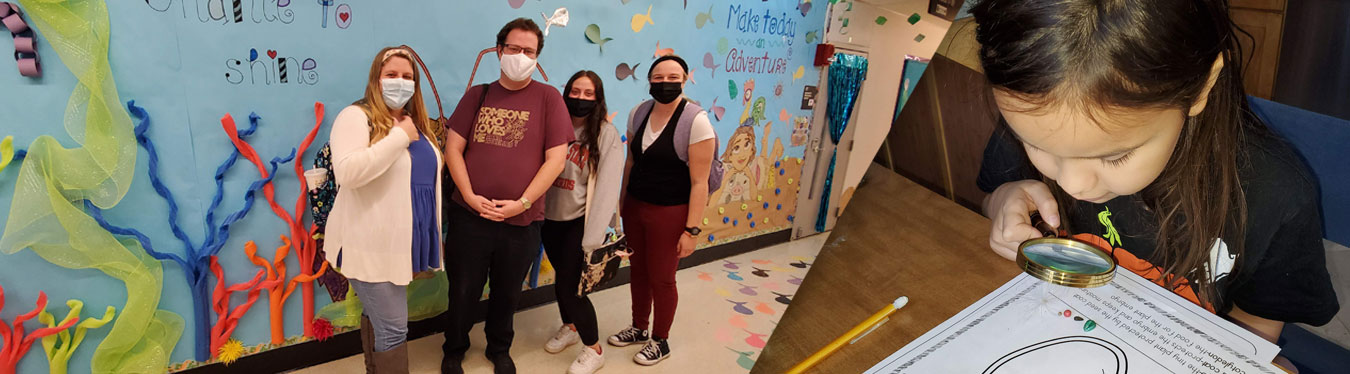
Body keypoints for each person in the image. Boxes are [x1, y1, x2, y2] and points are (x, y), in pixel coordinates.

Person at [971, 0, 1338, 370]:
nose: (1072, 183)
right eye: (1036, 145)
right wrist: (1001, 201)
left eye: (1115, 156)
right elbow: (991, 200)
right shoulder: (1040, 111)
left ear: (1199, 89)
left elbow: (1256, 324)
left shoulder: (1274, 193)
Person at [441, 18, 573, 374]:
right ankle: (454, 347)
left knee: (507, 292)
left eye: (528, 51)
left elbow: (556, 159)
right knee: (463, 290)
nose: (520, 56)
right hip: (470, 216)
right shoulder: (478, 95)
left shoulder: (548, 98)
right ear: (499, 51)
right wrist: (468, 195)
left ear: (537, 57)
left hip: (522, 221)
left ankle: (499, 348)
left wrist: (523, 202)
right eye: (513, 48)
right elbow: (453, 149)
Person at [325, 46, 443, 374]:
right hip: (367, 245)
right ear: (376, 79)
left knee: (381, 317)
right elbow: (348, 173)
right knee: (394, 328)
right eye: (391, 75)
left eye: (407, 77)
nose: (400, 82)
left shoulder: (415, 123)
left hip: (400, 245)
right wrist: (397, 138)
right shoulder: (355, 117)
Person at [607, 55, 716, 366]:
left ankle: (660, 340)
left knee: (662, 277)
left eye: (673, 77)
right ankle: (639, 328)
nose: (665, 83)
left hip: (670, 212)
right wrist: (622, 203)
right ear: (650, 81)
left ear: (683, 80)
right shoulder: (638, 113)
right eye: (658, 77)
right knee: (638, 271)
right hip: (636, 207)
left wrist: (692, 230)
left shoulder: (696, 121)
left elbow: (699, 183)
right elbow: (631, 162)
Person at [540, 70, 624, 374]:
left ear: (598, 99)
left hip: (580, 221)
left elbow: (606, 188)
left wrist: (593, 236)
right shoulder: (553, 126)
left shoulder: (605, 134)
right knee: (562, 280)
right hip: (549, 218)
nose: (581, 99)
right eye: (575, 91)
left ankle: (594, 348)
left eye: (588, 94)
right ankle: (570, 326)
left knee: (571, 287)